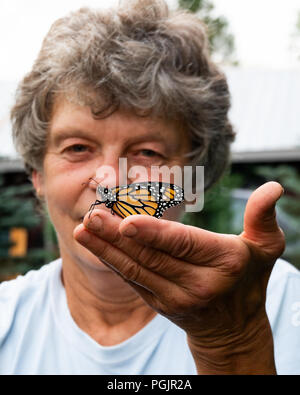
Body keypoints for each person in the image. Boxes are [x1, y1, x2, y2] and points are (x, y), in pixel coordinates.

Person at [1, 0, 299, 375]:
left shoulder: (278, 303)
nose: (110, 179)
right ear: (37, 175)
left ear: (195, 176)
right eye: (77, 148)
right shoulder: (6, 323)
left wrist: (236, 345)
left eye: (146, 152)